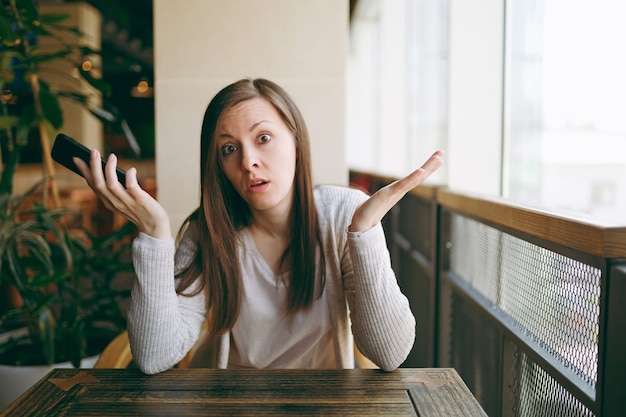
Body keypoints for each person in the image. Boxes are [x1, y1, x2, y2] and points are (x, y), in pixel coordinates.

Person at [74, 78, 444, 374]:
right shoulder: (208, 233)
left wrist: (363, 233)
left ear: (296, 143)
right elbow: (155, 357)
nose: (249, 161)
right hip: (235, 404)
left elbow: (390, 354)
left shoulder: (342, 214)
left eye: (263, 138)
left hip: (326, 405)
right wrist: (154, 235)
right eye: (229, 149)